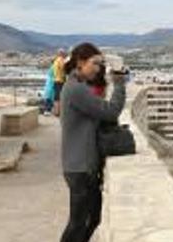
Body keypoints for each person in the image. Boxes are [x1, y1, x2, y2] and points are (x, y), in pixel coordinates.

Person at [59, 43, 125, 242]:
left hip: (80, 165)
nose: (98, 68)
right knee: (79, 223)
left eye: (100, 64)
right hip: (80, 168)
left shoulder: (76, 86)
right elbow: (111, 111)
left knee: (91, 218)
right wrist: (119, 80)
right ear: (80, 62)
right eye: (95, 63)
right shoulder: (77, 90)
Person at [51, 49, 68, 115]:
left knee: (56, 97)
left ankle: (56, 111)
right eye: (64, 53)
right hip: (60, 80)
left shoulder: (55, 61)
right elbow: (64, 68)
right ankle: (58, 112)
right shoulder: (60, 60)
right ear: (62, 54)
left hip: (56, 80)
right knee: (60, 97)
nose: (64, 55)